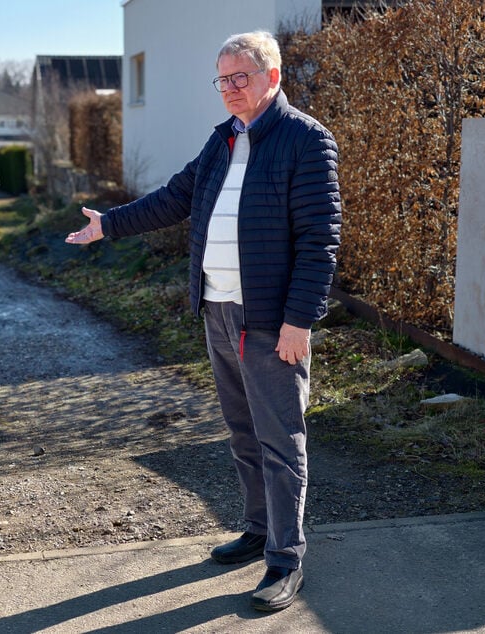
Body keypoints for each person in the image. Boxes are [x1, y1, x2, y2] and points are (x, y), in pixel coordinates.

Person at [66, 30, 341, 612]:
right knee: (243, 432)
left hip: (269, 319)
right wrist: (108, 225)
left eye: (241, 77)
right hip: (218, 309)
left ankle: (286, 559)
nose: (230, 89)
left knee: (280, 439)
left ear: (273, 77)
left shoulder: (306, 140)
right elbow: (173, 198)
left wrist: (300, 321)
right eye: (222, 79)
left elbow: (321, 242)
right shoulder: (223, 141)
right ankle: (257, 529)